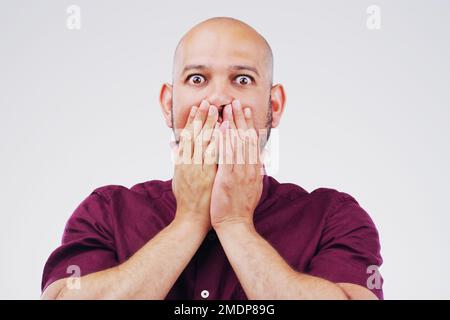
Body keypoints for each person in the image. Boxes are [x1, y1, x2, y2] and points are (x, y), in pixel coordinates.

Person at [41, 17, 383, 300]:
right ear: (167, 104)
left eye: (243, 79)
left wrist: (235, 226)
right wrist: (187, 221)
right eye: (197, 78)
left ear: (274, 106)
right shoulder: (106, 211)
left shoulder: (333, 217)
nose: (219, 97)